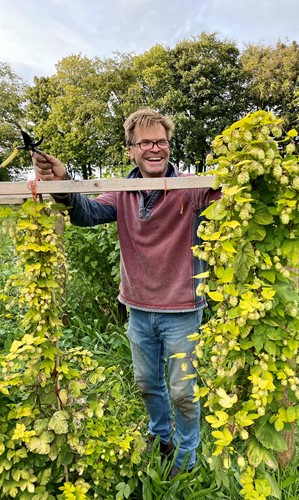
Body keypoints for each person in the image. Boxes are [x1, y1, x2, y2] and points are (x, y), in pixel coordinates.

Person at [32, 108, 221, 477]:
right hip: (138, 309)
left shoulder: (192, 188)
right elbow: (86, 213)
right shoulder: (122, 192)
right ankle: (160, 437)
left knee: (183, 392)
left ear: (169, 146)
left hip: (183, 308)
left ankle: (186, 459)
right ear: (131, 150)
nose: (155, 148)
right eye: (146, 142)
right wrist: (64, 183)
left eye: (161, 141)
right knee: (147, 383)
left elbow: (228, 200)